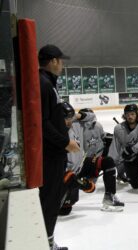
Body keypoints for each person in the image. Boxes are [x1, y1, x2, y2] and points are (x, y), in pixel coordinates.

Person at [38, 44, 80, 250]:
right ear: (53, 61)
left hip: (54, 154)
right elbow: (43, 122)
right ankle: (46, 244)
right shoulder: (44, 84)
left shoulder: (47, 83)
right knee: (50, 201)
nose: (62, 64)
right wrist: (66, 142)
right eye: (60, 60)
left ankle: (48, 241)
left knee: (51, 200)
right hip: (51, 155)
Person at [60, 107, 124, 214]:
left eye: (71, 118)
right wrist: (80, 183)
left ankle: (110, 197)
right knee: (65, 210)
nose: (70, 121)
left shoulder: (76, 123)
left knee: (107, 162)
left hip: (80, 166)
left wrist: (76, 116)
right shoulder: (55, 134)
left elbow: (91, 117)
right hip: (65, 174)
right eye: (67, 118)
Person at [108, 104, 138, 194]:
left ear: (137, 114)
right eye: (127, 114)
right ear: (124, 115)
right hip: (130, 158)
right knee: (135, 185)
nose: (130, 116)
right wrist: (111, 164)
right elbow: (115, 148)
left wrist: (132, 149)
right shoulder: (118, 129)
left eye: (132, 114)